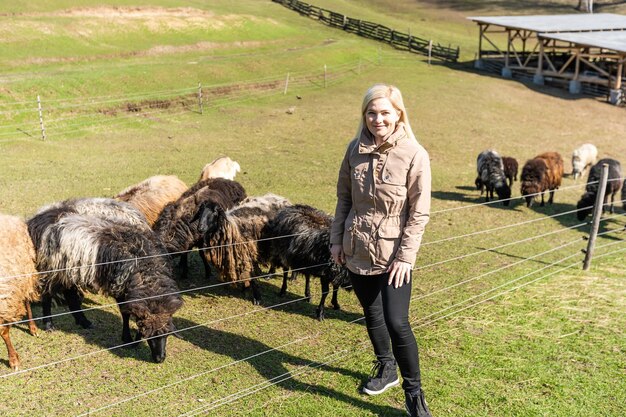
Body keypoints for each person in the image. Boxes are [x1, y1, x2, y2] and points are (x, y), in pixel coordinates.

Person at [330, 84, 432, 417]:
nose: (378, 119)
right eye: (371, 113)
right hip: (356, 245)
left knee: (397, 321)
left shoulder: (414, 154)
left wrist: (406, 257)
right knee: (371, 313)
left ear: (399, 114)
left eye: (385, 112)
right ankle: (386, 367)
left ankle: (414, 394)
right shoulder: (353, 149)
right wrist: (335, 240)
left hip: (394, 254)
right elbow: (344, 199)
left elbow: (419, 213)